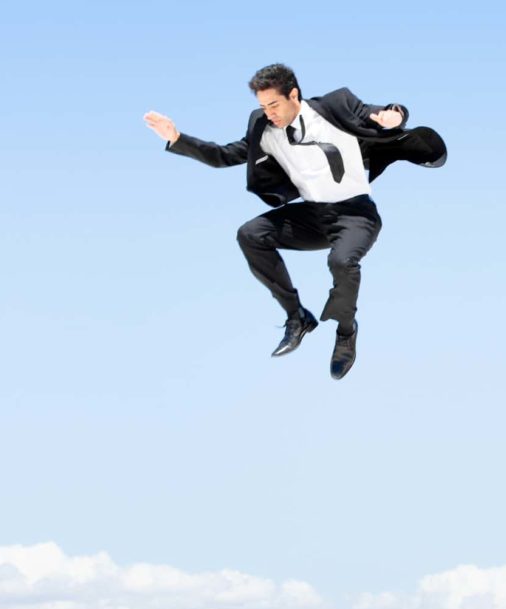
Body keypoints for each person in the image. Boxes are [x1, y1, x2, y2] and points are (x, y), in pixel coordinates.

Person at [144, 63, 446, 379]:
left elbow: (380, 113)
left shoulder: (335, 104)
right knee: (251, 234)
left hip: (356, 215)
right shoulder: (262, 129)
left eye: (274, 104)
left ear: (293, 94)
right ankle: (297, 317)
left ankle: (345, 331)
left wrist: (393, 115)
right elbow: (222, 156)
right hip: (313, 216)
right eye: (263, 106)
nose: (269, 112)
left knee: (342, 262)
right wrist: (177, 138)